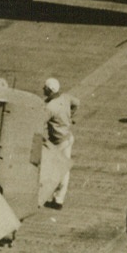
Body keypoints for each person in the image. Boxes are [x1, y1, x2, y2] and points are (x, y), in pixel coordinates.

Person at [42, 77, 78, 207]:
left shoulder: (50, 107)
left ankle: (56, 199)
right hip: (67, 137)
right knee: (64, 169)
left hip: (58, 142)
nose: (43, 89)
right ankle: (59, 198)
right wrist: (70, 115)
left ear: (50, 90)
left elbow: (41, 122)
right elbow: (77, 103)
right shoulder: (65, 98)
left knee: (54, 169)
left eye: (45, 88)